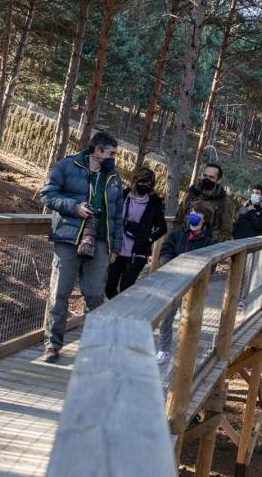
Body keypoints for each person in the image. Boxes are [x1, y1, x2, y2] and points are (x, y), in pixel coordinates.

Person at [39, 131, 124, 363]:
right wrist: (75, 207)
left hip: (100, 242)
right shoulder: (67, 166)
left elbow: (118, 215)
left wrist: (115, 245)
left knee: (96, 294)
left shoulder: (114, 178)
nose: (115, 158)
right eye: (111, 153)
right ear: (97, 150)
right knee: (59, 293)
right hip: (68, 237)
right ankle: (52, 345)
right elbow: (47, 194)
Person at [156, 201, 214, 363]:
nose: (193, 215)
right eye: (192, 212)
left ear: (205, 219)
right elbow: (166, 250)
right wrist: (170, 265)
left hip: (194, 286)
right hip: (173, 282)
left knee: (189, 320)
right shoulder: (177, 233)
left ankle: (184, 351)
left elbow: (212, 265)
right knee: (167, 317)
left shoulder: (208, 242)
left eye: (198, 213)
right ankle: (164, 350)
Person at [105, 167, 167, 299]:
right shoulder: (123, 196)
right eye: (142, 182)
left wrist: (148, 239)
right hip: (118, 249)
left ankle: (122, 315)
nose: (145, 186)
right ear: (136, 180)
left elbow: (162, 227)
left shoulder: (154, 204)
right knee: (109, 287)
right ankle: (116, 309)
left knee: (126, 288)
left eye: (148, 184)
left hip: (138, 251)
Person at [177, 163, 234, 243]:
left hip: (207, 246)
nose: (207, 179)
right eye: (205, 176)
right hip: (185, 240)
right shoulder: (192, 193)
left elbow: (226, 232)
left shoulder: (225, 202)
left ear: (219, 180)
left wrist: (211, 246)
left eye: (211, 177)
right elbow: (179, 217)